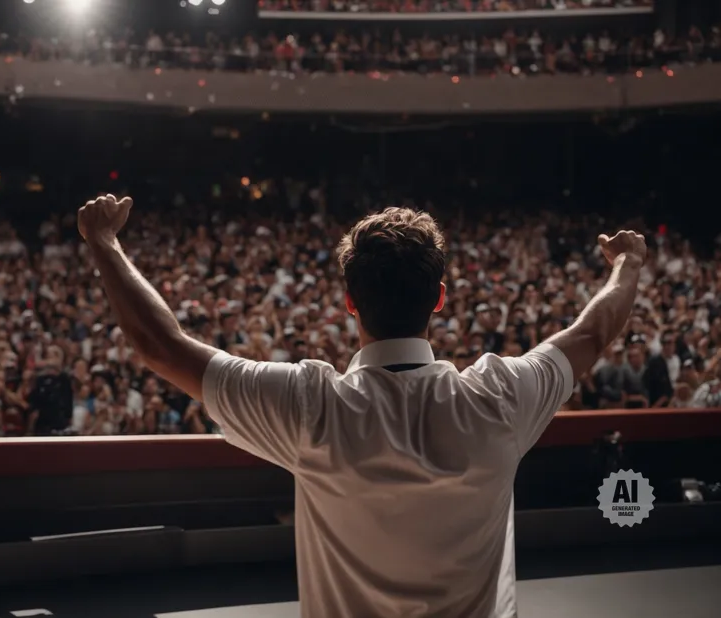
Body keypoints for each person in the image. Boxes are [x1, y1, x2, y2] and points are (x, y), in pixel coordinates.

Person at [78, 194, 647, 618]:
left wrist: (104, 243)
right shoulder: (500, 398)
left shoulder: (309, 408)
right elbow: (592, 332)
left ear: (349, 301)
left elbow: (161, 346)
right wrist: (627, 263)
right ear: (440, 299)